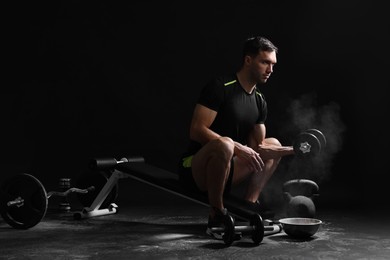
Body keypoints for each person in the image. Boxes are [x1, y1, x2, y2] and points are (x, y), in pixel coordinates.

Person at [178, 36, 295, 237]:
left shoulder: (259, 101)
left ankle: (247, 207)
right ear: (248, 60)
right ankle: (216, 214)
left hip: (229, 168)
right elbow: (196, 130)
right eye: (265, 62)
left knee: (273, 144)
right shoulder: (220, 87)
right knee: (225, 144)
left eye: (273, 64)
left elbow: (258, 147)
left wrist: (294, 149)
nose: (270, 70)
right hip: (195, 169)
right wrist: (237, 147)